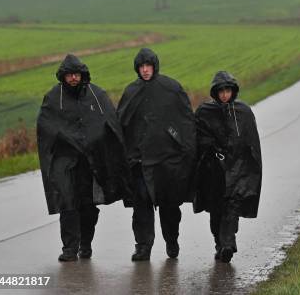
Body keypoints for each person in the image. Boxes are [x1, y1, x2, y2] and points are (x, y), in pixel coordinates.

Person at [37, 54, 132, 262]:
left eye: (76, 74)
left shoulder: (96, 95)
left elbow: (110, 123)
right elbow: (45, 127)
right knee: (68, 204)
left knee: (88, 206)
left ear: (82, 75)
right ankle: (69, 248)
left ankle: (85, 243)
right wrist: (66, 140)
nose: (73, 78)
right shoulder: (54, 98)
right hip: (65, 161)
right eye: (69, 75)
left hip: (91, 161)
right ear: (63, 76)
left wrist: (102, 146)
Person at [117, 48, 196, 261]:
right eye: (141, 67)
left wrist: (185, 150)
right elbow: (121, 125)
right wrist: (125, 155)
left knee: (169, 206)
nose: (144, 70)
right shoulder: (131, 92)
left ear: (154, 66)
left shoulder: (171, 89)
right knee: (141, 206)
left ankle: (172, 240)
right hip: (140, 162)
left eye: (148, 66)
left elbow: (186, 121)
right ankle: (143, 246)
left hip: (167, 161)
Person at [194, 71, 262, 263]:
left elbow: (252, 142)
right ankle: (219, 242)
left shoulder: (244, 112)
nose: (225, 94)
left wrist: (250, 168)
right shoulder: (205, 112)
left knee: (232, 207)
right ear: (215, 92)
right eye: (221, 91)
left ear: (233, 91)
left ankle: (228, 243)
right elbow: (198, 140)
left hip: (238, 169)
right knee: (216, 211)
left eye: (228, 90)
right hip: (214, 171)